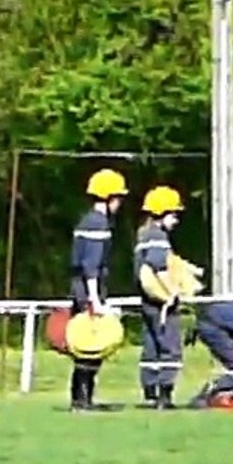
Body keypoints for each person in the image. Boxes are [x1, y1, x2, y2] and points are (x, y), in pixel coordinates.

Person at [67, 168, 128, 411]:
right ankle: (82, 400)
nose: (120, 203)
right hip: (87, 290)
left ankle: (82, 398)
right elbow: (90, 266)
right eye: (118, 197)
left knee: (88, 345)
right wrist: (95, 300)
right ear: (109, 197)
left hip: (81, 288)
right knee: (89, 345)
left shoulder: (88, 220)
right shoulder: (97, 223)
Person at [134, 186, 189, 409]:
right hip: (161, 302)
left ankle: (150, 391)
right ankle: (165, 394)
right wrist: (173, 291)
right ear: (161, 213)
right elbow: (158, 267)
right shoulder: (158, 237)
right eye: (173, 215)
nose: (176, 220)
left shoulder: (143, 235)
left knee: (151, 346)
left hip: (147, 302)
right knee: (170, 347)